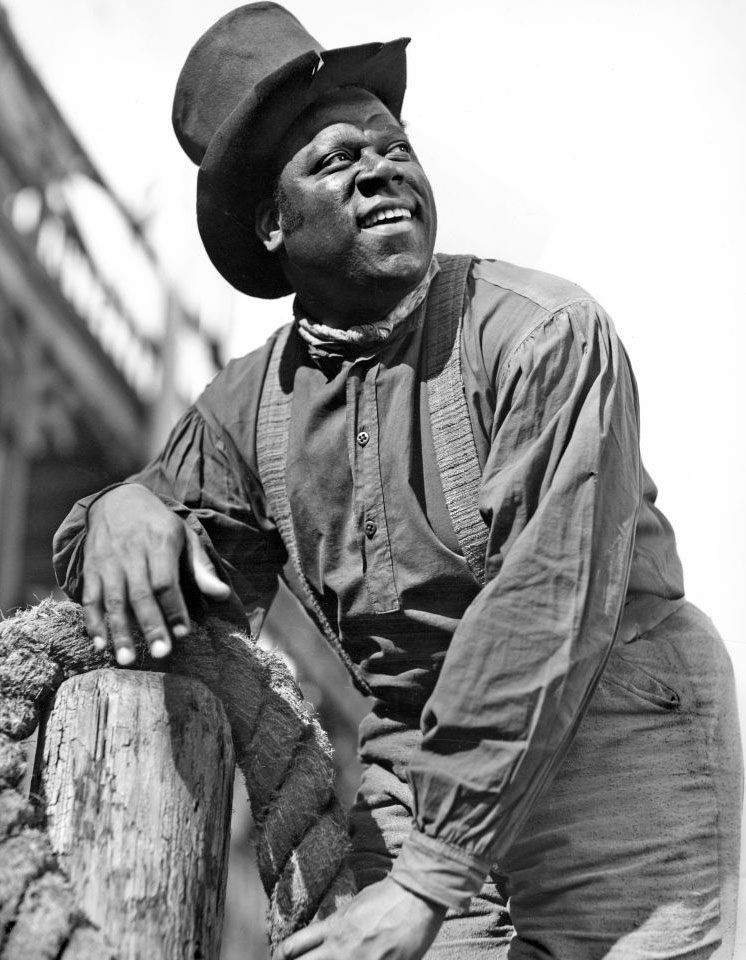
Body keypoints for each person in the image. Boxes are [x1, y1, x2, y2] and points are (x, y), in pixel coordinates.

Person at [53, 4, 742, 958]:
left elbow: (544, 611)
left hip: (611, 724)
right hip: (417, 757)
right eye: (335, 160)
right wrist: (118, 510)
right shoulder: (250, 406)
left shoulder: (545, 334)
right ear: (270, 224)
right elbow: (169, 534)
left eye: (393, 145)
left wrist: (426, 881)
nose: (381, 167)